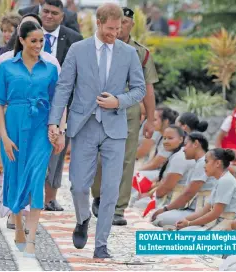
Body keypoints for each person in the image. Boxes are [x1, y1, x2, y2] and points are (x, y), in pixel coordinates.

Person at [48, 3, 146, 258]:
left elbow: (139, 89)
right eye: (111, 28)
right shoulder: (78, 50)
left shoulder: (128, 53)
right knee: (79, 186)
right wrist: (54, 122)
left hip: (115, 127)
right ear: (99, 23)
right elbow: (63, 88)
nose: (115, 33)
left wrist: (119, 101)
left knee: (110, 190)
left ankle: (101, 245)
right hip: (84, 125)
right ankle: (82, 219)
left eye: (119, 28)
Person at [0, 14, 64, 229]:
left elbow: (59, 99)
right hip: (13, 122)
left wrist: (59, 129)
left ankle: (30, 223)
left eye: (41, 40)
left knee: (37, 172)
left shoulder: (51, 64)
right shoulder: (5, 63)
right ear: (21, 38)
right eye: (34, 40)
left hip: (40, 125)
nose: (39, 44)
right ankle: (14, 212)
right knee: (14, 171)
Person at [90, 7, 159, 226]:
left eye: (125, 23)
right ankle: (100, 196)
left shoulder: (140, 53)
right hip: (99, 106)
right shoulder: (93, 47)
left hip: (128, 110)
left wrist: (150, 118)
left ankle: (118, 208)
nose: (120, 28)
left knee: (125, 159)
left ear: (129, 25)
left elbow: (148, 88)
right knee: (98, 157)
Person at [40, 0, 83, 212]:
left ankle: (50, 198)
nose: (48, 16)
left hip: (64, 105)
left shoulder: (74, 40)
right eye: (45, 11)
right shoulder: (28, 31)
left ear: (62, 16)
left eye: (54, 13)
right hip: (34, 103)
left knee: (57, 151)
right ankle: (29, 196)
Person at [151, 132, 216, 227]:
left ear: (196, 144)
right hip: (192, 209)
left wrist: (166, 209)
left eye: (186, 145)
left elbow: (188, 194)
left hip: (201, 212)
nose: (184, 149)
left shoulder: (203, 163)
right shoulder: (199, 162)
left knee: (160, 219)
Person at [176, 148, 236, 231]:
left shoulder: (226, 181)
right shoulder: (220, 179)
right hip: (219, 223)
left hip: (227, 226)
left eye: (206, 161)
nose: (204, 166)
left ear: (217, 163)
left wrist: (189, 223)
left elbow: (215, 214)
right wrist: (185, 220)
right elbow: (205, 210)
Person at [133, 126, 195, 210]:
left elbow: (166, 188)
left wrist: (148, 194)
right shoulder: (176, 153)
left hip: (173, 200)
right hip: (166, 194)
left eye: (170, 138)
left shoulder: (180, 157)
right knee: (136, 194)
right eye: (164, 138)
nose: (166, 141)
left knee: (139, 204)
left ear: (181, 139)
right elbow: (162, 179)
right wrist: (147, 189)